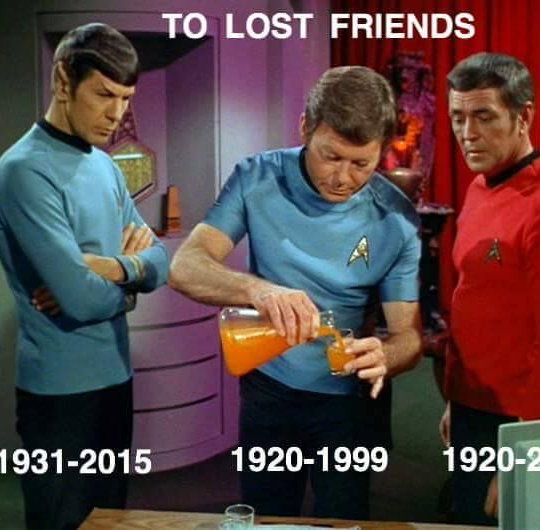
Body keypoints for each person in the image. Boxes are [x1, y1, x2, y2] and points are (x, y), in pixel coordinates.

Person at [169, 66, 423, 520]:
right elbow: (185, 267)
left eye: (361, 164)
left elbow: (410, 337)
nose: (342, 178)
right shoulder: (256, 177)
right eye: (331, 156)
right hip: (269, 390)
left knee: (344, 520)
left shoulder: (398, 220)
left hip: (347, 402)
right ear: (305, 128)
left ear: (382, 151)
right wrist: (258, 291)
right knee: (266, 516)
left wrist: (386, 355)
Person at [0, 23, 169, 530]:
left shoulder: (106, 167)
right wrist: (129, 286)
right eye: (104, 95)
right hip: (58, 396)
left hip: (116, 380)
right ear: (63, 82)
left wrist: (113, 269)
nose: (117, 114)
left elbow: (161, 263)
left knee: (110, 519)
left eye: (126, 99)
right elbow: (80, 299)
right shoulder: (25, 170)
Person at [439, 52, 540, 525]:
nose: (467, 133)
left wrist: (523, 456)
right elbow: (475, 302)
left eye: (484, 116)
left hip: (515, 425)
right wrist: (455, 399)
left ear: (523, 116)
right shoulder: (480, 187)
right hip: (471, 408)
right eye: (458, 117)